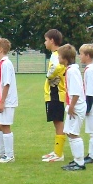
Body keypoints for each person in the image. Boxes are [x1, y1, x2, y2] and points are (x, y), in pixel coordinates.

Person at [58, 44, 87, 171]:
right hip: (73, 105)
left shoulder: (72, 71)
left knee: (74, 133)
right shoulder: (70, 69)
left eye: (59, 56)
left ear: (65, 58)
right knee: (69, 132)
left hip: (76, 107)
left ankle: (80, 163)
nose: (58, 58)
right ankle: (76, 160)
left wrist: (72, 106)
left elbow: (76, 92)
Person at [41, 29, 67, 163]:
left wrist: (50, 75)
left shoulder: (57, 54)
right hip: (52, 93)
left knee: (58, 122)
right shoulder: (55, 54)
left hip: (56, 93)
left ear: (52, 40)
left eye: (46, 40)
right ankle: (57, 151)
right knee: (56, 121)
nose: (44, 42)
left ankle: (59, 153)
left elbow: (58, 68)